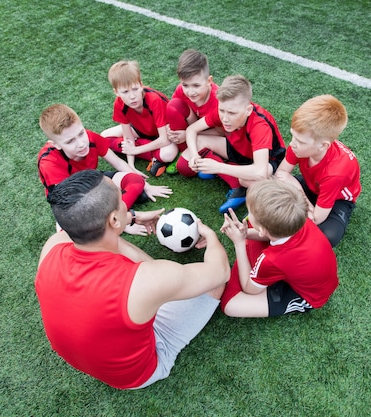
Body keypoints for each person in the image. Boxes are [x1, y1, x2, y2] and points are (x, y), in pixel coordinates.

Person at [35, 170, 230, 390]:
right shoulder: (145, 281)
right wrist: (211, 237)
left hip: (91, 357)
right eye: (121, 197)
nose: (126, 201)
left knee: (113, 245)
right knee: (214, 284)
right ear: (113, 219)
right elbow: (220, 271)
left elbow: (83, 234)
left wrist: (131, 218)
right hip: (138, 373)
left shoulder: (54, 245)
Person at [37, 104, 172, 235]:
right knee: (72, 235)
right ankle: (120, 221)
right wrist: (125, 221)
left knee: (136, 182)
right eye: (70, 141)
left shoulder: (90, 138)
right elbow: (70, 205)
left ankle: (117, 217)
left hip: (91, 180)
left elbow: (118, 163)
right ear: (55, 144)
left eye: (81, 133)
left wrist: (146, 186)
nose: (81, 143)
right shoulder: (49, 162)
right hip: (70, 201)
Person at [219, 178, 338, 318]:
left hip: (308, 295)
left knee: (230, 305)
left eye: (249, 212)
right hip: (300, 266)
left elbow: (249, 289)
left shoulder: (271, 259)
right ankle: (253, 254)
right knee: (253, 230)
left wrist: (239, 243)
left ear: (263, 230)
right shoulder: (298, 219)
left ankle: (250, 259)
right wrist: (245, 234)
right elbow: (271, 235)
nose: (247, 215)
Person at [177, 74, 286, 213]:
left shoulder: (259, 125)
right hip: (238, 150)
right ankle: (231, 171)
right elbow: (192, 130)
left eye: (232, 113)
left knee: (246, 180)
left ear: (248, 110)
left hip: (268, 161)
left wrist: (219, 167)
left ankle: (238, 186)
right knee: (185, 164)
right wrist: (194, 155)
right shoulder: (224, 110)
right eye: (222, 110)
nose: (225, 118)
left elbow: (260, 171)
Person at [275, 95, 361, 247]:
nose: (292, 144)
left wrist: (296, 188)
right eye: (293, 136)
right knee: (275, 192)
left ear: (323, 146)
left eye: (300, 141)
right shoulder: (299, 147)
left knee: (328, 236)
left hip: (337, 199)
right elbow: (279, 176)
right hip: (312, 183)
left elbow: (316, 218)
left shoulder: (336, 172)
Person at [100, 60, 177, 177]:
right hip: (139, 130)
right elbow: (128, 137)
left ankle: (150, 151)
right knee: (103, 138)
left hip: (163, 134)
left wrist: (135, 150)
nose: (132, 96)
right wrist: (131, 166)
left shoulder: (154, 100)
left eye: (135, 89)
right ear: (116, 92)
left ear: (141, 85)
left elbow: (164, 140)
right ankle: (153, 154)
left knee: (169, 154)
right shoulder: (119, 103)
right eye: (125, 92)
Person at [164, 49, 223, 173]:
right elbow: (174, 110)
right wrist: (169, 128)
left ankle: (211, 158)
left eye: (196, 85)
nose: (190, 91)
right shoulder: (181, 90)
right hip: (193, 130)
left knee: (185, 169)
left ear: (209, 81)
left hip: (212, 135)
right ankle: (183, 151)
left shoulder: (218, 101)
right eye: (185, 85)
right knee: (173, 105)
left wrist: (187, 134)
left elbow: (222, 133)